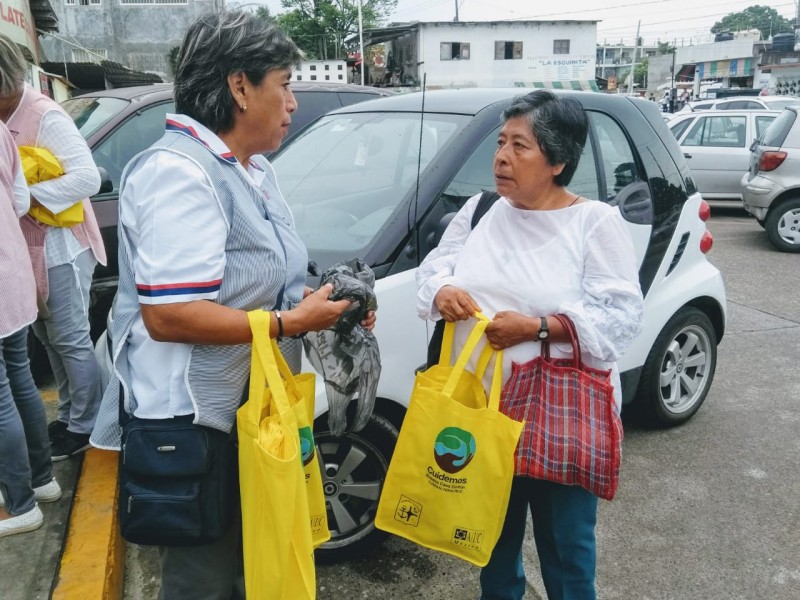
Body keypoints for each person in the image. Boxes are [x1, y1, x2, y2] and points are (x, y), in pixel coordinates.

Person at [89, 10, 374, 599]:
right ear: (239, 86)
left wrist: (326, 305)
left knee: (254, 561)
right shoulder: (178, 172)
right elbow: (168, 315)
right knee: (204, 579)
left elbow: (267, 279)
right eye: (286, 84)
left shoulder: (253, 169)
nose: (293, 102)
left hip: (253, 407)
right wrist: (288, 322)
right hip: (196, 420)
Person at [416, 90, 644, 600]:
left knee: (567, 551)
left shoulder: (594, 223)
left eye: (521, 145)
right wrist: (443, 290)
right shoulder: (481, 210)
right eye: (501, 142)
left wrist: (538, 327)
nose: (501, 156)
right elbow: (437, 265)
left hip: (558, 411)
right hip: (481, 407)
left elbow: (621, 315)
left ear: (558, 160)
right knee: (489, 540)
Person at [0, 34, 105, 461]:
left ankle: (87, 423)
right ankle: (69, 415)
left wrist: (28, 196)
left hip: (61, 246)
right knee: (47, 337)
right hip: (27, 248)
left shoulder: (44, 114)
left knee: (70, 338)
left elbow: (88, 179)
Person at [0, 120, 62, 538]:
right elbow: (20, 199)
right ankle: (42, 481)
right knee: (19, 378)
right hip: (12, 271)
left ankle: (19, 505)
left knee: (2, 396)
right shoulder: (2, 131)